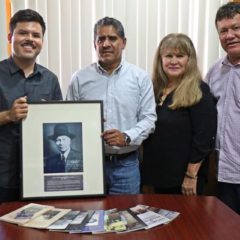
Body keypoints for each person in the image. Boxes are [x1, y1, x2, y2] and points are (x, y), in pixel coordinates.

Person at [66, 17, 156, 194]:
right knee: (89, 217)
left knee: (124, 220)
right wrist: (87, 124)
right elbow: (69, 120)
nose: (106, 44)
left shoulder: (139, 78)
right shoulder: (79, 78)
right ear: (95, 44)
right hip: (88, 165)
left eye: (112, 38)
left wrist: (127, 137)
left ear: (123, 42)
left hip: (126, 166)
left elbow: (149, 119)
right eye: (101, 39)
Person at [141, 33, 217, 195]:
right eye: (168, 56)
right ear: (160, 59)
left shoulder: (199, 90)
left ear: (189, 60)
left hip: (184, 180)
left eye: (180, 56)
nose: (173, 61)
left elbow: (204, 139)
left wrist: (191, 176)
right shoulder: (153, 89)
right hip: (155, 177)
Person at [0, 9, 63, 202]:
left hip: (40, 178)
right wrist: (8, 115)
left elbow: (61, 125)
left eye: (36, 35)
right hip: (3, 177)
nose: (30, 39)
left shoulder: (50, 80)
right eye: (23, 33)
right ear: (10, 36)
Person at [205, 2, 240, 214]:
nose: (230, 35)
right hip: (224, 174)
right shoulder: (214, 72)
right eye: (223, 31)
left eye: (236, 28)